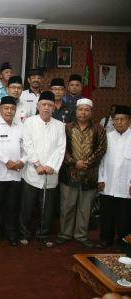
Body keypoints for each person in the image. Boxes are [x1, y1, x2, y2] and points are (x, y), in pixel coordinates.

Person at [55, 98, 107, 248]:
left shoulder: (99, 129)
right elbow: (61, 148)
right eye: (80, 109)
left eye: (87, 110)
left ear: (91, 112)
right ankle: (65, 233)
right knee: (67, 206)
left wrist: (87, 163)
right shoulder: (67, 128)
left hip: (89, 174)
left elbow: (101, 149)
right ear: (75, 111)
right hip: (69, 173)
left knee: (85, 208)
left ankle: (81, 235)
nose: (83, 113)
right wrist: (74, 162)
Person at [19, 91, 66, 248]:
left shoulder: (60, 126)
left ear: (54, 108)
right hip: (33, 172)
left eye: (50, 105)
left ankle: (43, 234)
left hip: (51, 172)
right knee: (27, 205)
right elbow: (27, 145)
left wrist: (51, 166)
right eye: (44, 105)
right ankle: (24, 233)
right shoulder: (29, 122)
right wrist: (37, 164)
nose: (46, 108)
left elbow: (61, 148)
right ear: (38, 106)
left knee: (47, 207)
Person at [0, 96, 25, 247]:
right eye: (6, 108)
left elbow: (27, 146)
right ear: (0, 110)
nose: (9, 111)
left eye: (12, 108)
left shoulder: (21, 125)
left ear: (15, 110)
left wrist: (23, 161)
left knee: (12, 206)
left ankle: (11, 234)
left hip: (16, 173)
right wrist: (6, 161)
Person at [97, 105, 131, 249]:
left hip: (126, 185)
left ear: (129, 121)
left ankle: (123, 242)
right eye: (116, 119)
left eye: (122, 119)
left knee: (124, 216)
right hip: (108, 183)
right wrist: (100, 179)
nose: (119, 122)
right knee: (107, 214)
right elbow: (101, 161)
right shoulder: (107, 137)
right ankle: (106, 239)